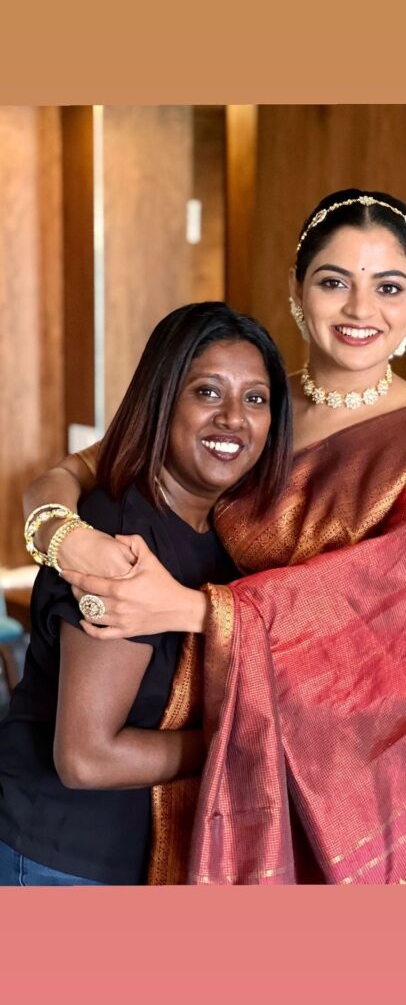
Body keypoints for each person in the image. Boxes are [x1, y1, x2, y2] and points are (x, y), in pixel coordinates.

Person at [22, 189, 406, 885]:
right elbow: (80, 469)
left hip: (348, 762)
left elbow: (392, 629)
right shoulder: (254, 404)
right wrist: (58, 533)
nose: (359, 309)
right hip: (200, 767)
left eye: (388, 286)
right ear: (297, 288)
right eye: (334, 281)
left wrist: (197, 611)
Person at [0, 302, 292, 885]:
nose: (234, 419)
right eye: (208, 393)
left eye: (255, 398)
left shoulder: (225, 532)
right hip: (61, 853)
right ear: (165, 400)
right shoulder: (124, 533)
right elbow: (86, 758)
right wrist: (241, 745)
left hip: (139, 850)